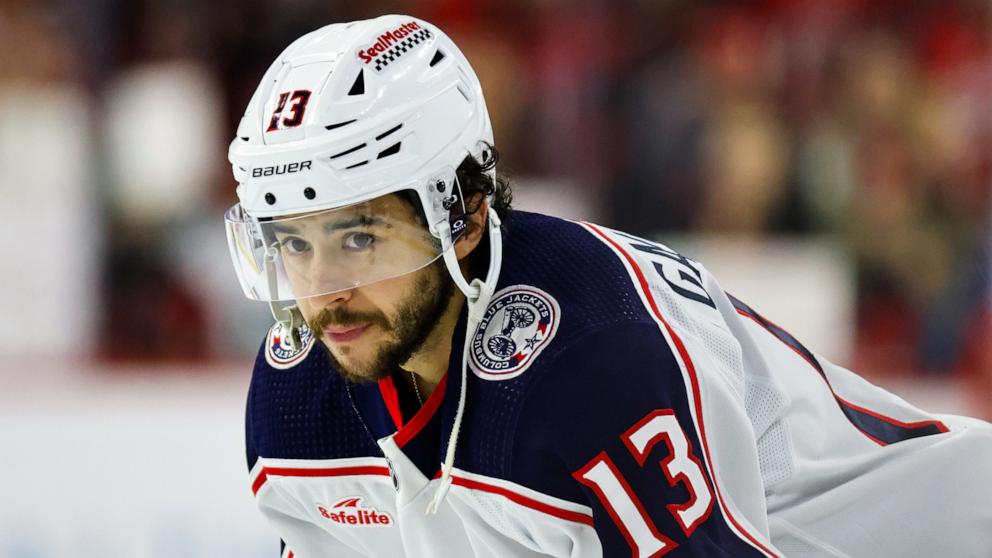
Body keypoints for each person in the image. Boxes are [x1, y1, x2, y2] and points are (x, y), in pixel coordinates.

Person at [223, 15, 992, 558]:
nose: (322, 291)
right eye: (292, 242)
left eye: (359, 238)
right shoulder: (298, 400)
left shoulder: (589, 357)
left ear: (463, 215)